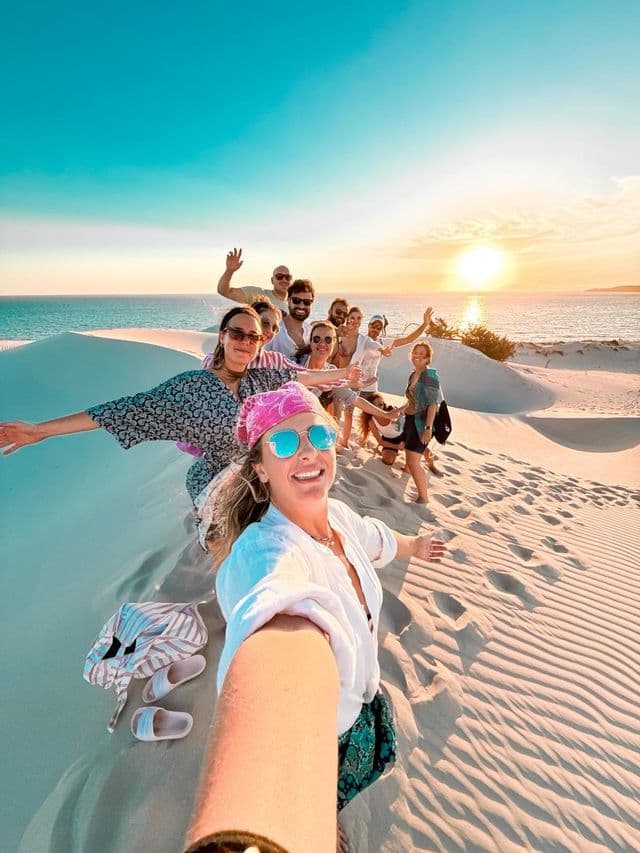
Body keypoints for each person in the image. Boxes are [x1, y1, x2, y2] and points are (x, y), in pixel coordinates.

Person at [186, 383, 445, 852]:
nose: (307, 452)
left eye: (318, 437)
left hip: (358, 704)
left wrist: (416, 547)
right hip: (311, 741)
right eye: (284, 443)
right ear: (261, 469)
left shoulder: (340, 518)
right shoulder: (264, 554)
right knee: (319, 809)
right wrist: (247, 827)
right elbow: (279, 632)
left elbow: (378, 539)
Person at [0, 306, 357, 510]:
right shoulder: (189, 387)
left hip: (260, 480)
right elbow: (120, 410)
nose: (245, 342)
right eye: (237, 333)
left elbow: (303, 379)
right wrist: (39, 430)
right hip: (216, 486)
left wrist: (345, 373)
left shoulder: (263, 380)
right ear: (223, 335)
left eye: (254, 337)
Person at [293, 321, 404, 430]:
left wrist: (385, 414)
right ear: (311, 342)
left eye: (328, 340)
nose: (322, 344)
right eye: (317, 339)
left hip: (305, 421)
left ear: (334, 343)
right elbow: (305, 378)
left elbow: (353, 398)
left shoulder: (331, 370)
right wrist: (346, 374)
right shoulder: (296, 362)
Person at [331, 306, 392, 446]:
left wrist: (383, 350)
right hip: (334, 378)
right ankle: (332, 439)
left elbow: (375, 345)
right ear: (347, 318)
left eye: (359, 318)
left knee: (347, 413)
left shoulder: (364, 340)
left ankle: (344, 441)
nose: (355, 321)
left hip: (352, 383)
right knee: (334, 412)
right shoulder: (339, 334)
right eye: (352, 317)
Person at [359, 307, 434, 400]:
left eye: (379, 328)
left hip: (371, 388)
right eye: (373, 326)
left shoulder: (383, 342)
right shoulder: (360, 340)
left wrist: (425, 324)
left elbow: (408, 339)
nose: (375, 329)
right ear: (369, 325)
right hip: (356, 386)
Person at [401, 341, 442, 503]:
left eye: (422, 354)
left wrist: (428, 428)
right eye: (415, 352)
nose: (417, 356)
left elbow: (433, 403)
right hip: (411, 419)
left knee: (413, 460)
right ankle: (408, 469)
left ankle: (423, 497)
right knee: (408, 452)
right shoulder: (413, 374)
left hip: (423, 423)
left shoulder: (430, 375)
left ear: (427, 359)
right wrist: (399, 411)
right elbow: (411, 400)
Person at [216, 247, 290, 314]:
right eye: (279, 276)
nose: (284, 280)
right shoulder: (259, 294)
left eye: (287, 277)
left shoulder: (297, 303)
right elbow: (225, 292)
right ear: (272, 280)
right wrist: (229, 271)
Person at [264, 279, 314, 357]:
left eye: (307, 302)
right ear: (288, 301)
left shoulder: (311, 332)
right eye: (296, 300)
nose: (301, 306)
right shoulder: (274, 331)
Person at [358, 392, 406, 466]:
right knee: (388, 461)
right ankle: (393, 451)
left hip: (405, 436)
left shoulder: (390, 410)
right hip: (390, 439)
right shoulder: (372, 421)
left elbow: (398, 414)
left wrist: (398, 417)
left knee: (425, 453)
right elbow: (380, 441)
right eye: (374, 405)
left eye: (381, 404)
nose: (379, 407)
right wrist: (397, 447)